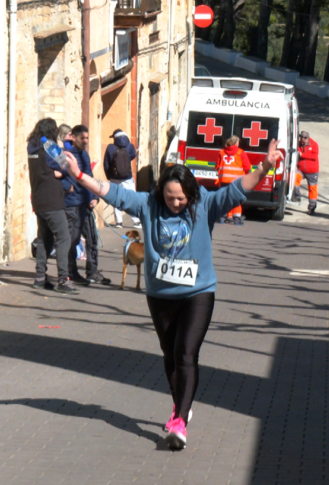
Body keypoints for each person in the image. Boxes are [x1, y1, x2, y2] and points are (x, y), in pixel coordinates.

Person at [61, 138, 284, 451]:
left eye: (181, 198)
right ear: (160, 193)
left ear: (191, 194)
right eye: (170, 197)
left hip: (198, 294)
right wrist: (78, 174)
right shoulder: (148, 204)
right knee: (169, 355)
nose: (175, 203)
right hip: (161, 295)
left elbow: (236, 189)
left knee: (186, 354)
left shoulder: (204, 204)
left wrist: (264, 167)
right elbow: (113, 193)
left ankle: (179, 421)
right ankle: (181, 403)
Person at [26, 118, 77, 293]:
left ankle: (40, 277)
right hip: (53, 200)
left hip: (38, 200)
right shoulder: (50, 147)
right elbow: (66, 165)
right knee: (63, 238)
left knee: (44, 239)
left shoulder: (32, 147)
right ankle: (63, 279)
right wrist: (61, 174)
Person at [63, 125, 110, 285]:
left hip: (85, 204)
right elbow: (60, 175)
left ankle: (92, 271)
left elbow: (89, 177)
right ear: (73, 137)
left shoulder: (84, 155)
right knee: (73, 240)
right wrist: (69, 188)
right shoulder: (67, 155)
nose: (85, 141)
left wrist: (94, 196)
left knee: (92, 238)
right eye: (82, 138)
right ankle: (71, 272)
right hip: (72, 204)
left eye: (87, 138)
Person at [104, 130, 140, 228]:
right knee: (132, 198)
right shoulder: (130, 146)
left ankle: (119, 222)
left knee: (116, 198)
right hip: (127, 177)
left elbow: (106, 163)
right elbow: (132, 156)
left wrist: (109, 176)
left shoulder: (110, 148)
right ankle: (136, 221)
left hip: (114, 178)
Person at [215, 135, 251, 226]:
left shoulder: (221, 152)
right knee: (236, 199)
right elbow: (247, 167)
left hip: (224, 179)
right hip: (236, 181)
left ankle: (222, 217)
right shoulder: (240, 152)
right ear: (236, 143)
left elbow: (217, 166)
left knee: (224, 198)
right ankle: (237, 219)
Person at [293, 131, 321, 215]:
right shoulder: (297, 144)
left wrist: (302, 155)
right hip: (301, 169)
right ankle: (297, 196)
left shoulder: (314, 145)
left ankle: (312, 207)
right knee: (294, 178)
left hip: (312, 171)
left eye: (304, 138)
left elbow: (314, 156)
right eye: (301, 138)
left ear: (308, 138)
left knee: (312, 189)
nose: (302, 140)